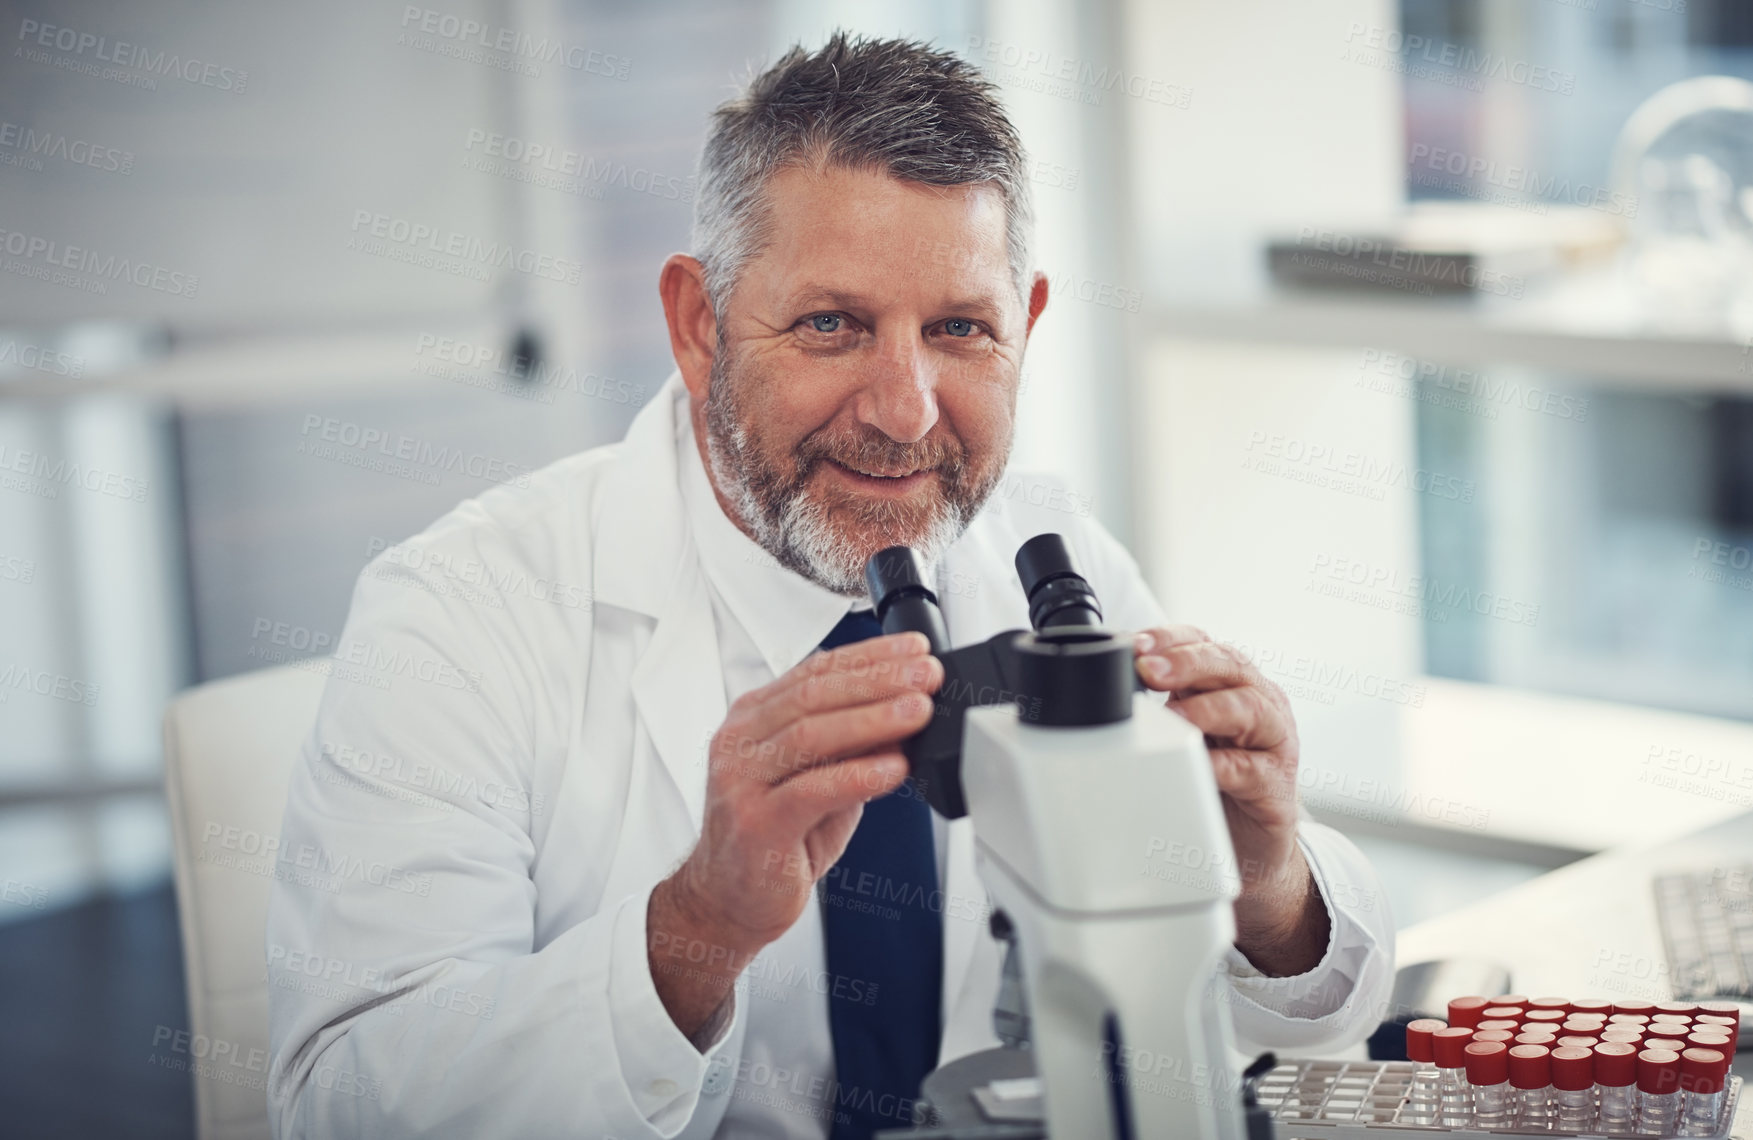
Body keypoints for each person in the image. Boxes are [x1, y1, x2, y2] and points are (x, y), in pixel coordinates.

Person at [266, 32, 1393, 1140]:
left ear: (1025, 326)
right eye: (829, 325)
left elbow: (1287, 1021)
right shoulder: (456, 616)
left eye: (959, 328)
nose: (904, 412)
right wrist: (694, 931)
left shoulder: (1042, 547)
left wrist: (1264, 881)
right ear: (699, 325)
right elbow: (339, 1102)